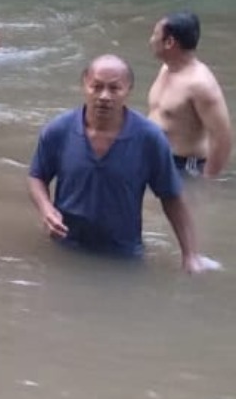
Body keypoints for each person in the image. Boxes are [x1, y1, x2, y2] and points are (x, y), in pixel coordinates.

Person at [27, 54, 208, 272]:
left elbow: (171, 196)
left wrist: (190, 255)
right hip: (66, 246)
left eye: (114, 88)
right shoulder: (59, 130)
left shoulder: (149, 138)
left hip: (122, 252)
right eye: (97, 87)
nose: (104, 96)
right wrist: (46, 209)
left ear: (129, 89)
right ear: (84, 84)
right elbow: (37, 176)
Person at [146, 10, 232, 179]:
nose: (151, 40)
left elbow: (222, 138)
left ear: (169, 42)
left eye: (155, 35)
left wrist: (208, 180)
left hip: (183, 165)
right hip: (155, 156)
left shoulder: (200, 85)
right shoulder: (166, 68)